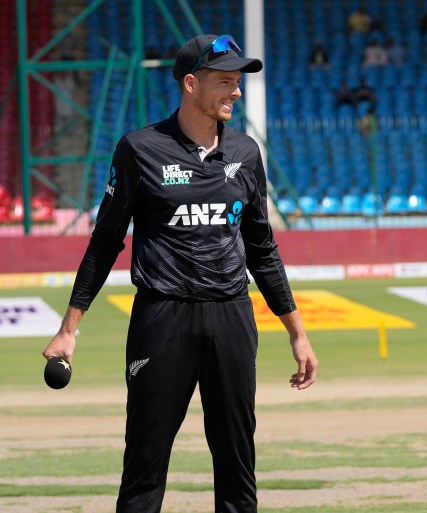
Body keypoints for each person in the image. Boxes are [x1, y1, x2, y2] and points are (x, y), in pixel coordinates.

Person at [41, 34, 319, 513]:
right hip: (162, 319)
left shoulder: (247, 155)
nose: (236, 92)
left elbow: (262, 249)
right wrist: (69, 330)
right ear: (191, 84)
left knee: (237, 468)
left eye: (238, 82)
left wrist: (297, 332)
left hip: (232, 316)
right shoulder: (139, 150)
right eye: (225, 81)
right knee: (144, 469)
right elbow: (105, 241)